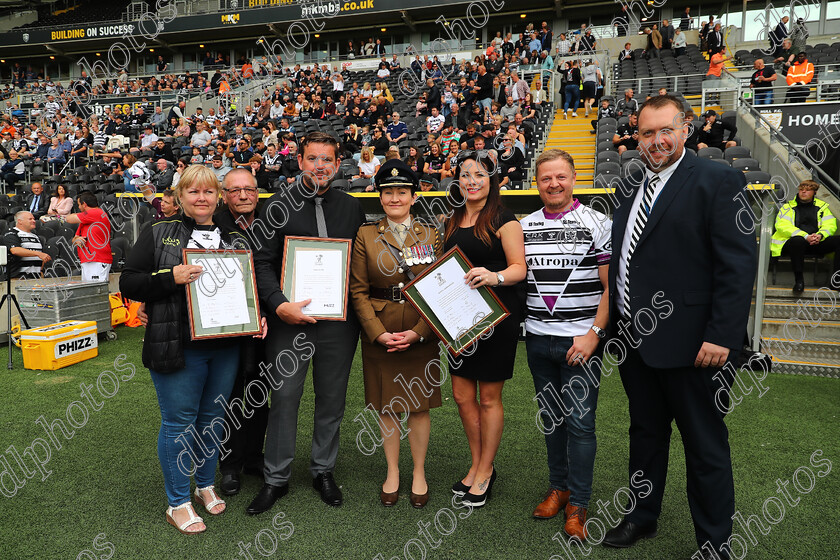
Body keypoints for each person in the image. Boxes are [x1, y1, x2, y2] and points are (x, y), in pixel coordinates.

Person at [602, 95, 756, 559]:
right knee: (645, 436)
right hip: (636, 342)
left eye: (665, 130)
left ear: (685, 128)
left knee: (705, 446)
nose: (656, 141)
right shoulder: (630, 186)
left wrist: (722, 335)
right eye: (647, 133)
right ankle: (642, 517)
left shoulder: (718, 178)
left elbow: (737, 265)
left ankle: (714, 542)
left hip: (696, 346)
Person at [120, 164, 264, 535]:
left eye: (209, 192)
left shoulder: (233, 234)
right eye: (193, 192)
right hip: (176, 344)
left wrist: (256, 315)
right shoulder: (159, 232)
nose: (202, 198)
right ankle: (177, 502)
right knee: (179, 423)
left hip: (225, 343)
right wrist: (171, 277)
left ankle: (204, 485)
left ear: (219, 197)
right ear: (180, 197)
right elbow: (130, 281)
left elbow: (247, 285)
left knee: (212, 420)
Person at [248, 132, 366, 515]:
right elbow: (261, 263)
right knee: (284, 398)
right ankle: (276, 478)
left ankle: (323, 471)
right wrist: (279, 306)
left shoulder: (351, 207)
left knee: (331, 400)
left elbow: (359, 265)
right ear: (300, 162)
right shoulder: (276, 205)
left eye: (327, 160)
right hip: (288, 322)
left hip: (338, 323)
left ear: (337, 163)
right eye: (313, 158)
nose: (320, 166)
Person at [524, 149, 610, 540]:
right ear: (536, 183)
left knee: (580, 425)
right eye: (545, 178)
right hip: (538, 340)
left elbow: (612, 287)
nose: (553, 184)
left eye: (560, 176)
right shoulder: (523, 227)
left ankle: (579, 504)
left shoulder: (599, 223)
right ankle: (558, 489)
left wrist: (594, 334)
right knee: (553, 421)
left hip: (581, 344)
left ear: (574, 178)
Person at [349, 159, 442, 508]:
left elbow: (439, 286)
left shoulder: (432, 232)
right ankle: (392, 471)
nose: (394, 198)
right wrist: (376, 333)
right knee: (387, 405)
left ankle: (418, 471)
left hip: (421, 326)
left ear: (413, 196)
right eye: (388, 192)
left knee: (418, 406)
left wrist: (420, 332)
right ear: (380, 195)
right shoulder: (366, 234)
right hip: (381, 328)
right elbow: (357, 290)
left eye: (402, 192)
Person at [444, 150, 526, 507]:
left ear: (492, 179)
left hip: (495, 320)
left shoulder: (505, 219)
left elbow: (520, 268)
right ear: (458, 180)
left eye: (479, 174)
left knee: (489, 399)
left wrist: (495, 276)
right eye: (465, 174)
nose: (472, 180)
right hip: (459, 322)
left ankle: (486, 469)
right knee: (463, 398)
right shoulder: (452, 219)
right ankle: (477, 463)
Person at [209, 169, 272, 495]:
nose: (243, 196)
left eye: (249, 189)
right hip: (227, 325)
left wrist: (268, 312)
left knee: (260, 395)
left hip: (265, 326)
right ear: (224, 194)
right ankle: (229, 465)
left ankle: (254, 457)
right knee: (230, 396)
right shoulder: (212, 224)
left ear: (257, 192)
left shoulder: (274, 221)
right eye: (235, 191)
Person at [772, 180, 840, 293]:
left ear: (814, 192)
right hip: (790, 243)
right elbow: (782, 226)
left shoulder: (822, 207)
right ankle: (799, 281)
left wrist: (820, 235)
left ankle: (836, 281)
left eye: (808, 190)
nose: (803, 192)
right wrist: (805, 236)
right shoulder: (787, 207)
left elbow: (830, 224)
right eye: (801, 189)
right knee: (798, 241)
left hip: (814, 242)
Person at [63, 192, 113, 283]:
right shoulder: (86, 220)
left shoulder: (95, 212)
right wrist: (76, 240)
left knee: (97, 291)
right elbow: (75, 238)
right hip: (87, 259)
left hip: (97, 259)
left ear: (84, 204)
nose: (78, 207)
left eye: (79, 204)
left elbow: (69, 219)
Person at [3, 211, 50, 278]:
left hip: (35, 278)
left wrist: (40, 271)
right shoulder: (11, 234)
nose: (34, 221)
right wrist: (38, 254)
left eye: (34, 219)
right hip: (17, 278)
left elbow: (41, 254)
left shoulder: (36, 236)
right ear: (20, 221)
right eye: (30, 219)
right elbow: (15, 250)